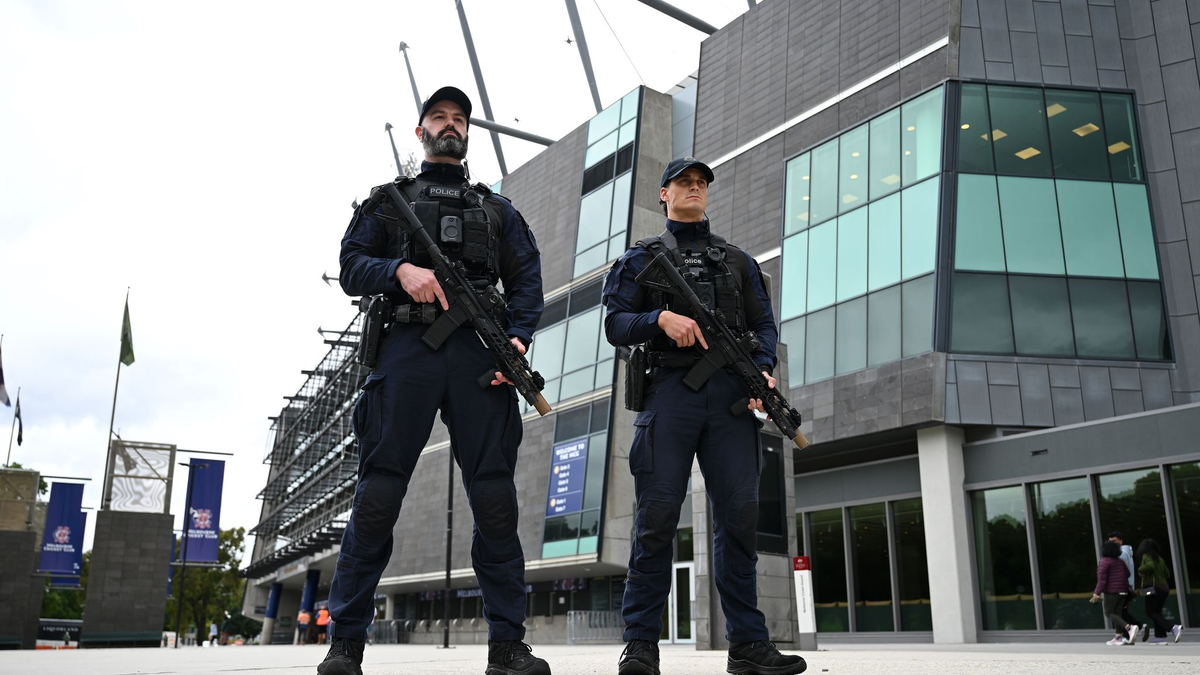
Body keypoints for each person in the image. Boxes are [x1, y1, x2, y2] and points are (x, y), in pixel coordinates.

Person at [320, 86, 548, 675]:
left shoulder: (497, 209)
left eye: (459, 120)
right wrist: (398, 269)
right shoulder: (387, 202)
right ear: (421, 130)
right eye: (439, 117)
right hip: (406, 348)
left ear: (469, 133)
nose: (450, 126)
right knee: (377, 495)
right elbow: (349, 266)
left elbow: (526, 281)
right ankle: (345, 644)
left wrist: (518, 340)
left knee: (495, 499)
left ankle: (507, 646)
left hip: (480, 357)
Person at [602, 157, 807, 675]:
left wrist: (763, 372)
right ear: (664, 194)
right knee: (657, 520)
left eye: (701, 184)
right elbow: (616, 324)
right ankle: (642, 646)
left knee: (739, 520)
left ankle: (747, 647)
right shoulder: (641, 259)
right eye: (684, 183)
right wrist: (660, 318)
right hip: (668, 394)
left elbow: (763, 326)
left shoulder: (737, 261)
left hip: (732, 401)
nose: (694, 189)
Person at [1135, 538, 1183, 645]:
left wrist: (1140, 570)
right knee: (1157, 613)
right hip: (1164, 588)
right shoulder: (1159, 558)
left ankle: (1173, 628)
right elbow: (1167, 574)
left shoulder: (1146, 556)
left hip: (1153, 588)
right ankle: (1160, 637)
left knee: (1150, 612)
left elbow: (1150, 566)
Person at [1093, 540, 1139, 645]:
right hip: (1123, 591)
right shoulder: (1119, 561)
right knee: (1118, 613)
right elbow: (1127, 573)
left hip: (1112, 592)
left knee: (1108, 613)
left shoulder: (1104, 561)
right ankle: (1118, 637)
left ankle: (1129, 628)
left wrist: (1097, 593)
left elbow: (1102, 579)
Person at [1107, 531, 1142, 636]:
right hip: (1127, 586)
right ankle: (1137, 628)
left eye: (1115, 541)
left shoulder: (1121, 554)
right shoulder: (1126, 552)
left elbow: (1120, 572)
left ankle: (1131, 631)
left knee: (1117, 612)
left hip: (1122, 587)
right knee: (1122, 611)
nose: (1112, 544)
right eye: (1110, 542)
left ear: (1121, 541)